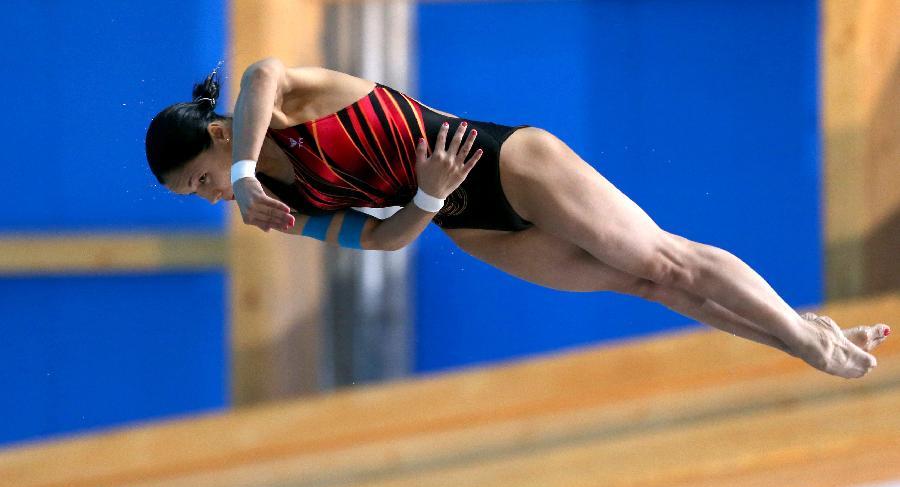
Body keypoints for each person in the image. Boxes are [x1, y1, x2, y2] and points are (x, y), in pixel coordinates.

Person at [145, 58, 890, 379]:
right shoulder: (283, 208)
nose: (213, 197)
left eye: (203, 181)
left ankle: (806, 338)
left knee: (663, 259)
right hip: (464, 219)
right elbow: (378, 238)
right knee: (649, 288)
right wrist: (430, 197)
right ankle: (803, 339)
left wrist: (242, 174)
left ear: (218, 137)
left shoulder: (282, 108)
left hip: (507, 162)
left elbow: (259, 72)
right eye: (200, 197)